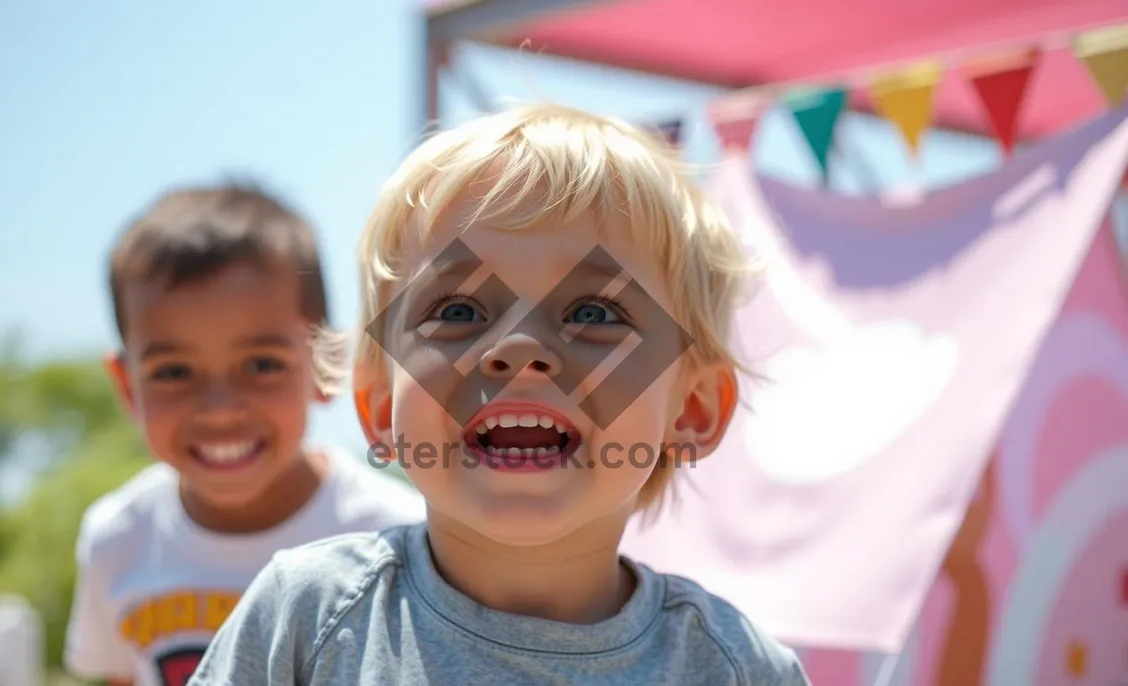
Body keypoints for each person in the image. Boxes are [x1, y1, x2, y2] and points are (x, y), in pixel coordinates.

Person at [189, 105, 811, 685]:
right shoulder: (307, 618)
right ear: (381, 407)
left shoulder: (735, 666)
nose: (517, 347)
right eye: (457, 308)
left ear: (692, 410)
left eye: (594, 313)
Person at [63, 183, 426, 686]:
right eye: (173, 372)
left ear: (326, 362)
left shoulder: (402, 538)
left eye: (261, 365)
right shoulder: (117, 540)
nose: (220, 410)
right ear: (127, 385)